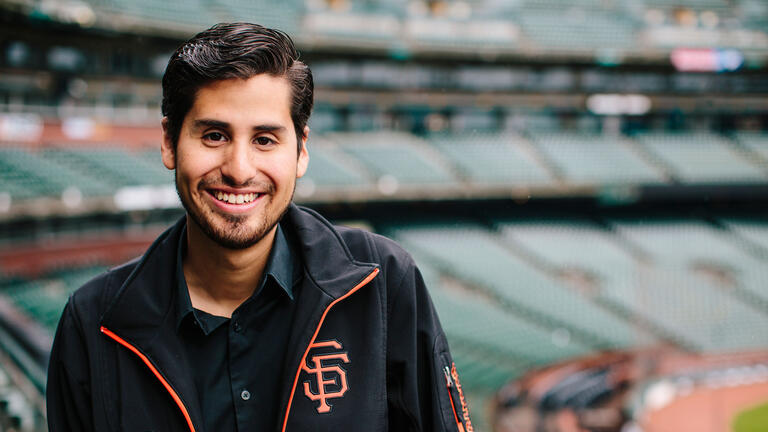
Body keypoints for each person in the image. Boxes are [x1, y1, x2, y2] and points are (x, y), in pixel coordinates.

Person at [46, 22, 472, 432]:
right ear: (169, 142)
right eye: (214, 135)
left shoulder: (383, 283)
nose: (239, 169)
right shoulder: (92, 323)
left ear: (301, 151)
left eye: (265, 139)